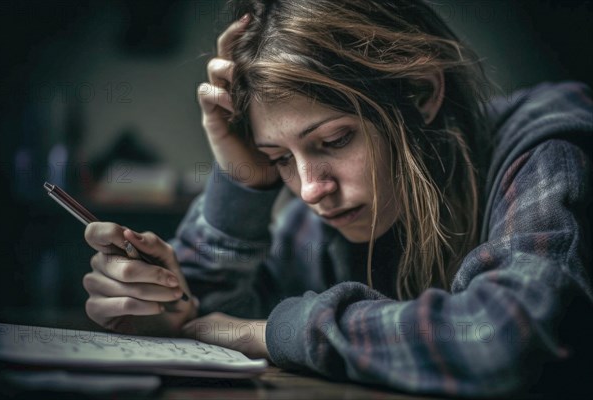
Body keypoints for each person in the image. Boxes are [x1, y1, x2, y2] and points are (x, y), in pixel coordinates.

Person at [82, 0, 593, 396]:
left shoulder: (545, 146)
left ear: (421, 93)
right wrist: (242, 181)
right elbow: (213, 322)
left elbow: (499, 333)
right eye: (281, 158)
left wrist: (271, 332)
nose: (309, 189)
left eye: (334, 141)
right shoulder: (321, 224)